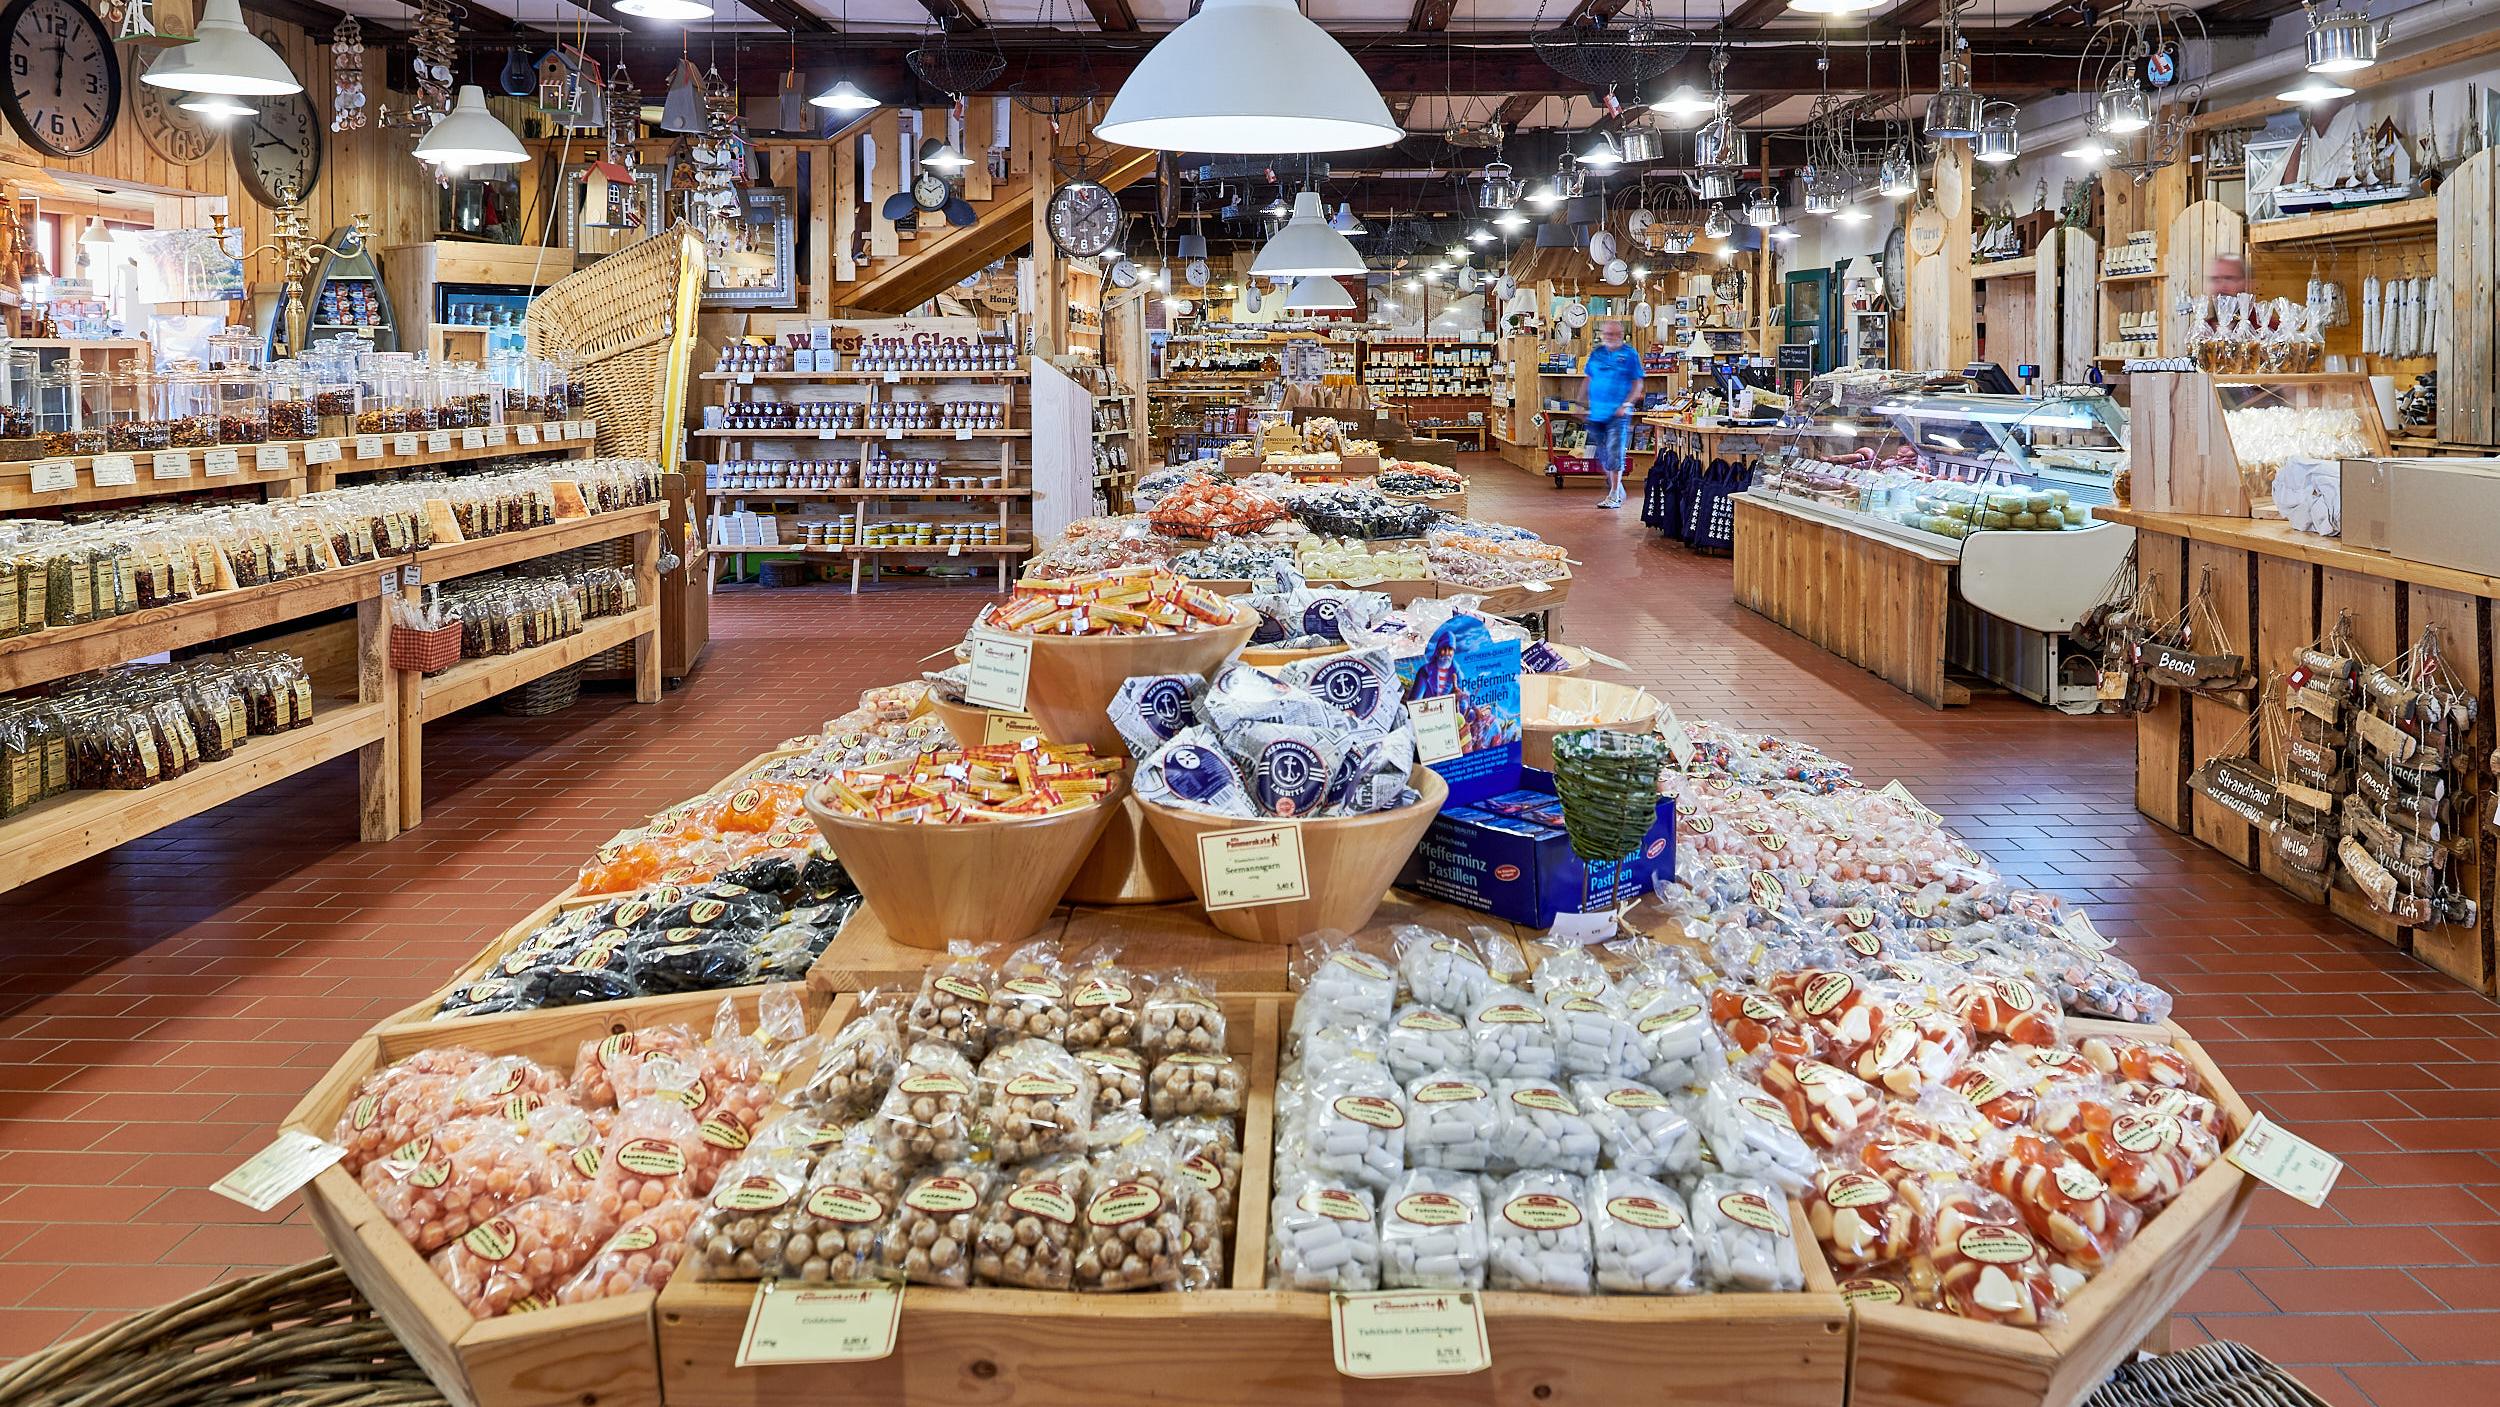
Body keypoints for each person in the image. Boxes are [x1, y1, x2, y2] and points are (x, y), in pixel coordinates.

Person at [1581, 318, 1646, 509]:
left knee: (1615, 451)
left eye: (1612, 334)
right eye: (1606, 334)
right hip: (1597, 414)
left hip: (1618, 414)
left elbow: (1638, 383)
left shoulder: (1630, 355)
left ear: (1620, 335)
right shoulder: (1597, 354)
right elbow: (1588, 378)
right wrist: (1580, 402)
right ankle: (1617, 487)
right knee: (1603, 454)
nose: (1608, 337)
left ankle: (1614, 494)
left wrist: (1626, 404)